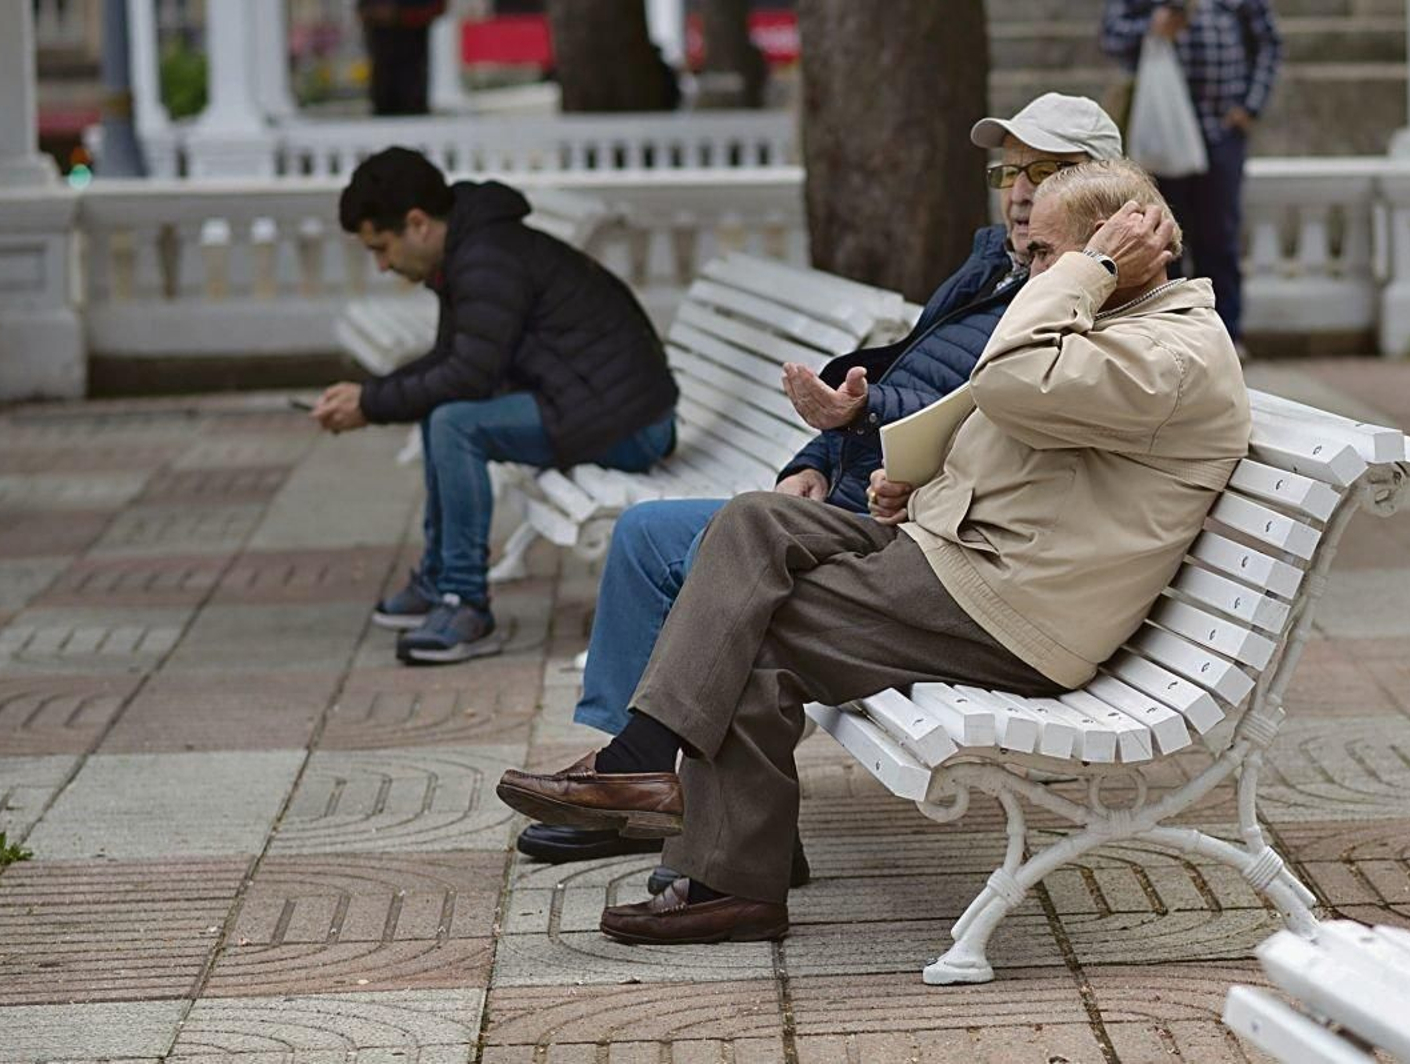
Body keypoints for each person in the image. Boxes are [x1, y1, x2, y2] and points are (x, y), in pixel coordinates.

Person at [497, 158, 1252, 944]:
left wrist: (1086, 269)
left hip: (1014, 610)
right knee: (755, 521)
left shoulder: (1167, 353)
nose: (1031, 271)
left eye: (1044, 254)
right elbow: (1033, 450)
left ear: (1115, 247)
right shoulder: (1117, 326)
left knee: (759, 631)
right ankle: (648, 764)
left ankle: (727, 874)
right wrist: (916, 490)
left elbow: (1009, 380)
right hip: (961, 557)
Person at [513, 93, 1125, 875]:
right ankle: (639, 780)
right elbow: (904, 377)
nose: (1020, 193)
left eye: (1045, 172)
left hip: (918, 532)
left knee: (722, 580)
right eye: (1009, 172)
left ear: (1102, 187)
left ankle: (660, 792)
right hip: (856, 495)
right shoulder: (990, 268)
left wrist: (864, 418)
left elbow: (988, 406)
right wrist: (812, 458)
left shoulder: (1078, 300)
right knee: (647, 537)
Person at [312, 147, 678, 665]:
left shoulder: (486, 259)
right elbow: (453, 359)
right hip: (594, 404)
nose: (383, 265)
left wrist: (371, 404)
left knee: (454, 424)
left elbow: (469, 375)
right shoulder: (470, 249)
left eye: (382, 247)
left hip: (630, 424)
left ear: (417, 223)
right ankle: (441, 579)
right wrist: (367, 394)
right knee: (446, 418)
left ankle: (465, 603)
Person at [1100, 0, 1282, 346]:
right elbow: (1111, 36)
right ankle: (1169, 338)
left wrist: (1250, 107)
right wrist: (1153, 26)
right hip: (1161, 136)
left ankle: (1225, 338)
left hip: (1221, 133)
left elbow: (1268, 43)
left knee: (1220, 240)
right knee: (1161, 241)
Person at [358, 0, 446, 116]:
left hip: (412, 79)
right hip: (383, 81)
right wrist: (373, 12)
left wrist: (400, 14)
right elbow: (362, 9)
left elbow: (438, 7)